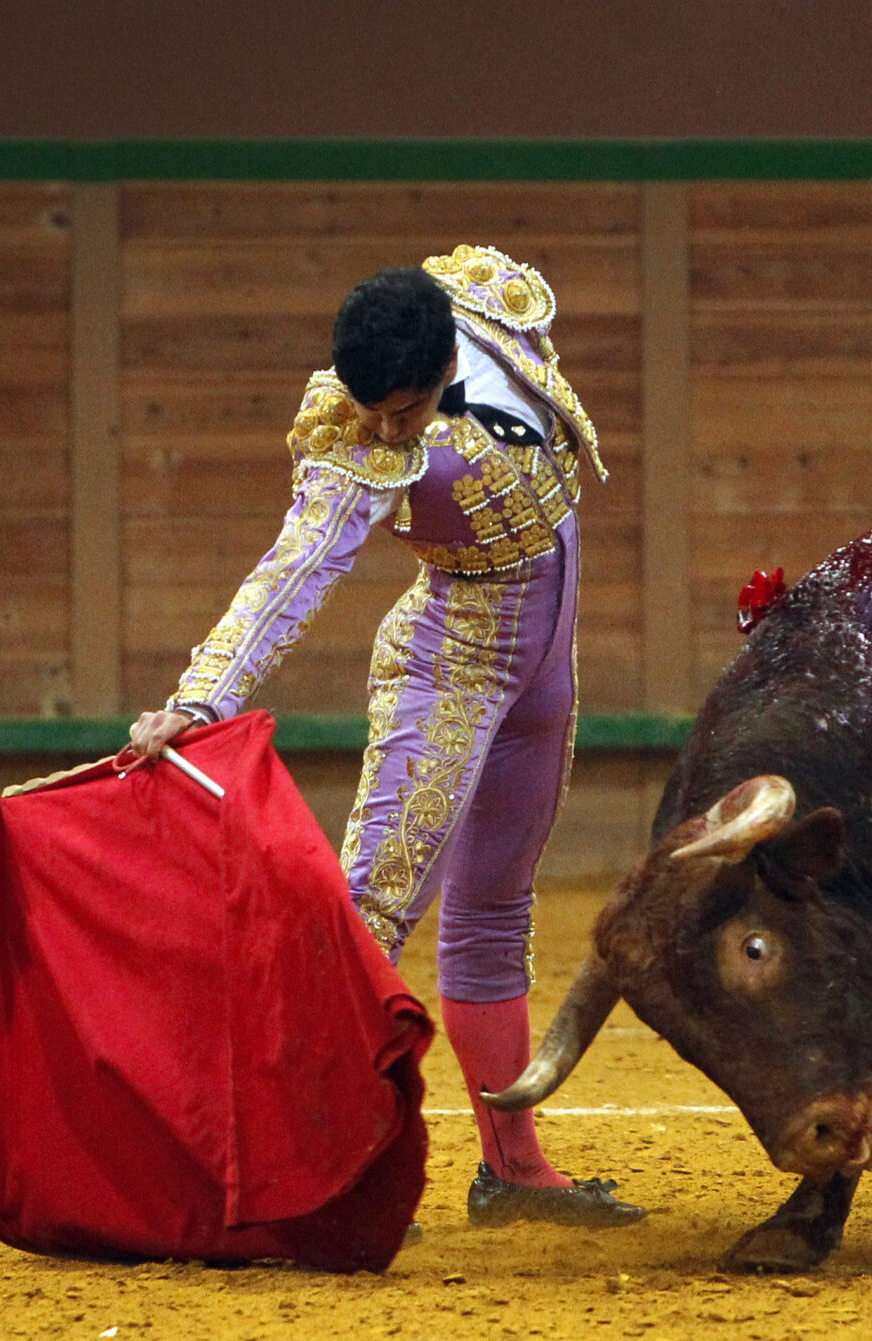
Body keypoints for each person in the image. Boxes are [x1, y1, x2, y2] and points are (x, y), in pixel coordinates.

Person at [126, 246, 644, 1230]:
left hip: (541, 675)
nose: (384, 431)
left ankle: (513, 1172)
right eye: (373, 410)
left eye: (403, 411)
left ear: (447, 359)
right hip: (448, 669)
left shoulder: (482, 305)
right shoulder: (353, 437)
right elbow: (297, 567)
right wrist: (199, 700)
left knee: (495, 911)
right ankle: (314, 1174)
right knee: (370, 922)